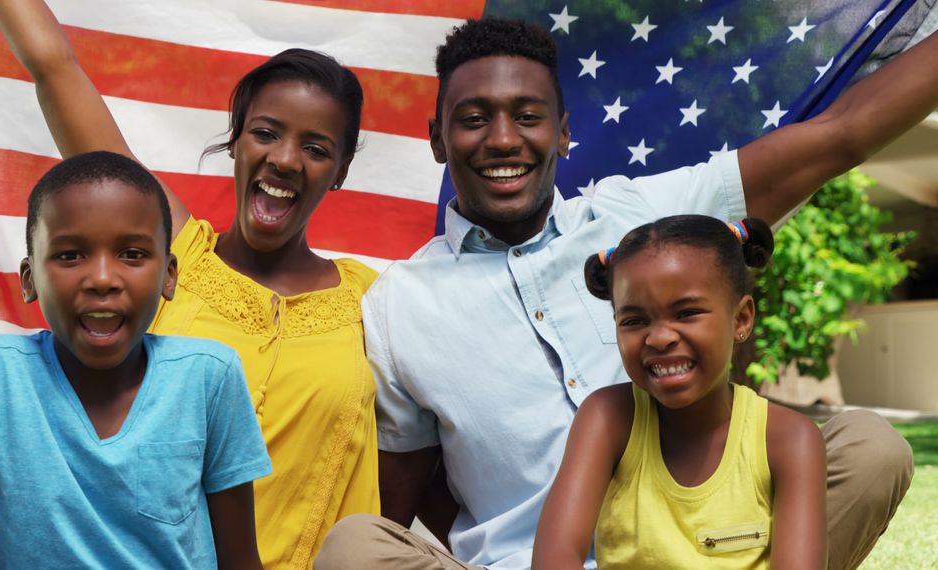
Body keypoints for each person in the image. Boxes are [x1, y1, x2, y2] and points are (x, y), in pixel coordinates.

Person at [314, 16, 928, 570]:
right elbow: (409, 492)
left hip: (705, 552)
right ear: (438, 140)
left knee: (871, 447)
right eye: (474, 119)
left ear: (563, 133)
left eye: (528, 116)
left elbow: (840, 135)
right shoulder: (397, 304)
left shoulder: (642, 214)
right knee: (355, 547)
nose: (503, 139)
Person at [0, 1, 380, 567]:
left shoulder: (374, 303)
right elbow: (56, 68)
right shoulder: (169, 257)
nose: (287, 159)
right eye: (266, 133)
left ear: (340, 170)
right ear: (236, 142)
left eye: (317, 148)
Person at [0, 151, 272, 568]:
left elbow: (241, 561)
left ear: (169, 275)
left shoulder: (210, 377)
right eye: (70, 255)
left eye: (133, 254)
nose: (103, 278)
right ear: (30, 279)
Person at [531, 216, 826, 569]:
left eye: (686, 313)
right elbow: (556, 556)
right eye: (634, 321)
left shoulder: (789, 440)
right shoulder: (607, 418)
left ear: (741, 319)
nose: (659, 338)